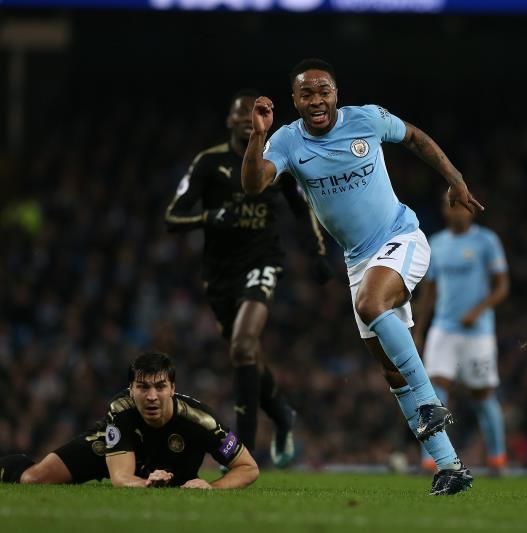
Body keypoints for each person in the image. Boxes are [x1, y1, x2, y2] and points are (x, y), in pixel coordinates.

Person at [241, 58, 483, 495]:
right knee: (392, 374)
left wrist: (455, 178)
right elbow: (255, 185)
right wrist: (257, 136)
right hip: (358, 261)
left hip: (402, 237)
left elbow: (415, 137)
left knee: (371, 305)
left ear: (337, 93)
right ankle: (450, 467)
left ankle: (431, 401)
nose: (317, 100)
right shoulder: (285, 141)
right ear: (294, 100)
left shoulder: (367, 120)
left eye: (323, 91)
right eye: (307, 94)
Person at [165, 89, 332, 467]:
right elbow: (172, 217)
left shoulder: (275, 161)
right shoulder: (209, 164)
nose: (245, 118)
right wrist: (208, 218)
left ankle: (243, 453)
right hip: (220, 274)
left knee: (242, 344)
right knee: (247, 355)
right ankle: (282, 414)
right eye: (239, 112)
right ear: (229, 121)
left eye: (252, 112)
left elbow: (301, 208)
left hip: (263, 261)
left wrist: (319, 253)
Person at [0, 352, 259, 488]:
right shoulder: (121, 409)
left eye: (160, 387)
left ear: (172, 388)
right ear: (131, 389)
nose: (152, 396)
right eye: (143, 387)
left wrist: (210, 487)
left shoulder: (202, 421)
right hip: (112, 454)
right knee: (33, 479)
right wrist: (148, 483)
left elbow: (248, 468)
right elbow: (122, 477)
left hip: (159, 470)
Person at [413, 192, 509, 475]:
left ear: (471, 210)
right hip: (443, 328)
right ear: (444, 210)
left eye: (460, 205)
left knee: (482, 396)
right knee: (433, 393)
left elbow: (502, 286)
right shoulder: (437, 243)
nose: (456, 210)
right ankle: (430, 460)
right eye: (449, 205)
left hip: (477, 332)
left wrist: (478, 311)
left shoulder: (487, 241)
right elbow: (428, 291)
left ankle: (497, 458)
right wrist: (419, 330)